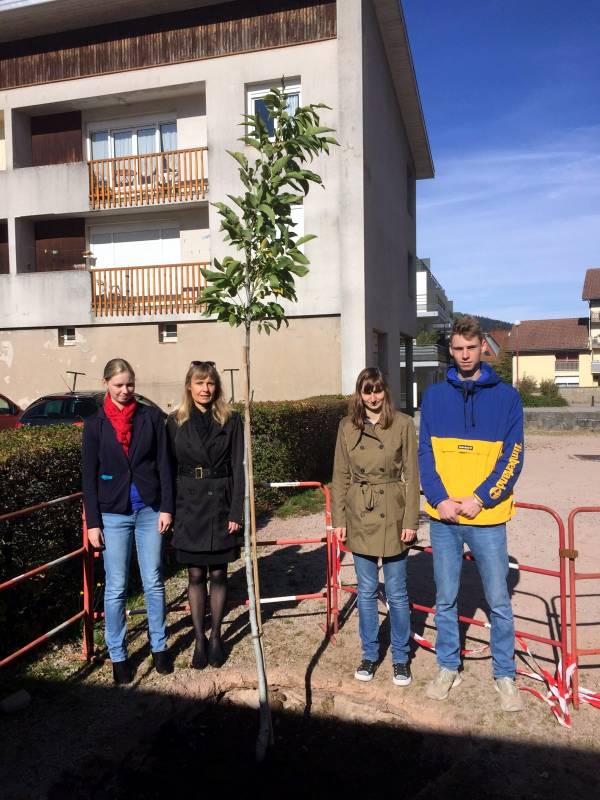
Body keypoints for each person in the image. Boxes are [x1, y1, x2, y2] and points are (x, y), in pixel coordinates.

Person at [419, 315, 524, 712]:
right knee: (446, 598)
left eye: (471, 348)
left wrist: (481, 498)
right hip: (444, 517)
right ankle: (448, 666)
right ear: (452, 350)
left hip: (487, 518)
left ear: (484, 347)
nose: (465, 355)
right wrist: (440, 499)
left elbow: (513, 458)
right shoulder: (433, 396)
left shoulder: (508, 398)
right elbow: (424, 453)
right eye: (458, 349)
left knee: (498, 600)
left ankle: (505, 674)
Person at [82, 358, 173, 684]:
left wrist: (166, 507)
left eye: (130, 384)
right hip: (112, 514)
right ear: (106, 383)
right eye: (119, 384)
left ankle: (159, 646)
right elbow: (88, 476)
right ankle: (118, 654)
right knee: (117, 586)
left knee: (153, 581)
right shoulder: (95, 425)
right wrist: (93, 522)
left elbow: (163, 464)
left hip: (150, 510)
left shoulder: (150, 418)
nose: (125, 390)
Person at [331, 367, 420, 686]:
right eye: (367, 390)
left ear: (385, 391)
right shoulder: (346, 427)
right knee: (366, 591)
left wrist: (411, 519)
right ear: (359, 393)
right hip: (360, 513)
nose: (372, 396)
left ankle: (400, 657)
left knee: (396, 593)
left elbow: (412, 475)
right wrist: (339, 519)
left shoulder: (404, 424)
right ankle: (369, 654)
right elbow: (339, 475)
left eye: (378, 390)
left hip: (393, 513)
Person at [167, 361, 244, 669]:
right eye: (199, 383)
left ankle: (216, 636)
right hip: (188, 503)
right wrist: (169, 511)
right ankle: (199, 638)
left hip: (221, 502)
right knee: (195, 574)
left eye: (210, 383)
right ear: (189, 386)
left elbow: (238, 467)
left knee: (218, 573)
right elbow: (168, 470)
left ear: (217, 387)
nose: (205, 389)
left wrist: (237, 509)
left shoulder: (231, 419)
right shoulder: (174, 421)